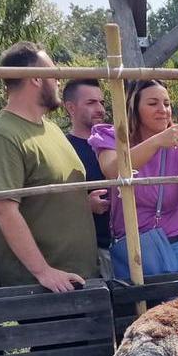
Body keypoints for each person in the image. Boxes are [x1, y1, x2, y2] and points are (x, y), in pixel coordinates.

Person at [0, 41, 97, 291]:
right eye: (53, 72)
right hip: (45, 289)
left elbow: (47, 189)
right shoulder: (0, 136)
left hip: (81, 277)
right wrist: (44, 272)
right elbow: (3, 210)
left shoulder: (49, 128)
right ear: (36, 78)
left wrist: (84, 203)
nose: (59, 80)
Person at [90, 79, 178, 281]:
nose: (163, 110)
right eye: (153, 103)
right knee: (137, 312)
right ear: (134, 107)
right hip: (133, 249)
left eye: (167, 103)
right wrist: (156, 141)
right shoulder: (113, 136)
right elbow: (113, 170)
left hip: (176, 246)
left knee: (177, 312)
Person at [62, 78, 115, 278]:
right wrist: (84, 205)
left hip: (130, 244)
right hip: (91, 251)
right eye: (91, 103)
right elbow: (50, 202)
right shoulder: (63, 148)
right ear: (71, 108)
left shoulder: (116, 143)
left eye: (101, 102)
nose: (100, 109)